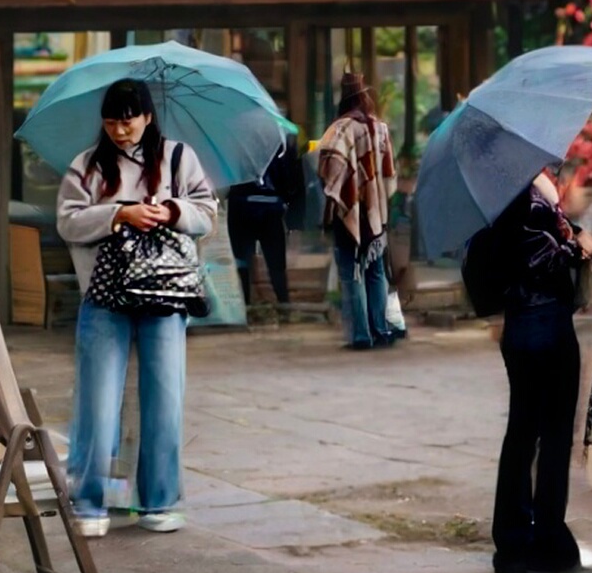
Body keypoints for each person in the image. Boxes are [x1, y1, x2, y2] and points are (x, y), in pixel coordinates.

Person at [55, 75, 218, 535]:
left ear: (148, 117)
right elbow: (67, 222)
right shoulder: (86, 166)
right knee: (97, 401)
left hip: (165, 295)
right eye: (111, 123)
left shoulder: (179, 158)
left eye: (128, 122)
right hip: (103, 296)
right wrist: (118, 214)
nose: (120, 132)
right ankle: (88, 504)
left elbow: (206, 213)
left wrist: (170, 211)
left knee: (165, 398)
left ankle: (158, 501)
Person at [462, 165, 592, 573]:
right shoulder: (523, 193)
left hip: (523, 322)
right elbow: (536, 257)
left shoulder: (499, 188)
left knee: (523, 430)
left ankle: (512, 543)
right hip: (543, 319)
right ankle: (550, 551)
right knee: (555, 435)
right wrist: (580, 248)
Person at [316, 65, 399, 350]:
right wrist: (376, 198)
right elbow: (389, 176)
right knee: (375, 272)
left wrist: (344, 192)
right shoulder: (381, 129)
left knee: (350, 275)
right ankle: (381, 330)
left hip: (349, 213)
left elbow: (329, 167)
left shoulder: (339, 129)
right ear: (365, 97)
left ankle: (361, 335)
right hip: (375, 214)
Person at [225, 118, 306, 321]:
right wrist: (290, 207)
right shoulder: (279, 142)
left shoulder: (233, 142)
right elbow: (292, 179)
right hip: (270, 208)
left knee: (243, 261)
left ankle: (246, 307)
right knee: (276, 263)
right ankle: (284, 305)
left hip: (241, 206)